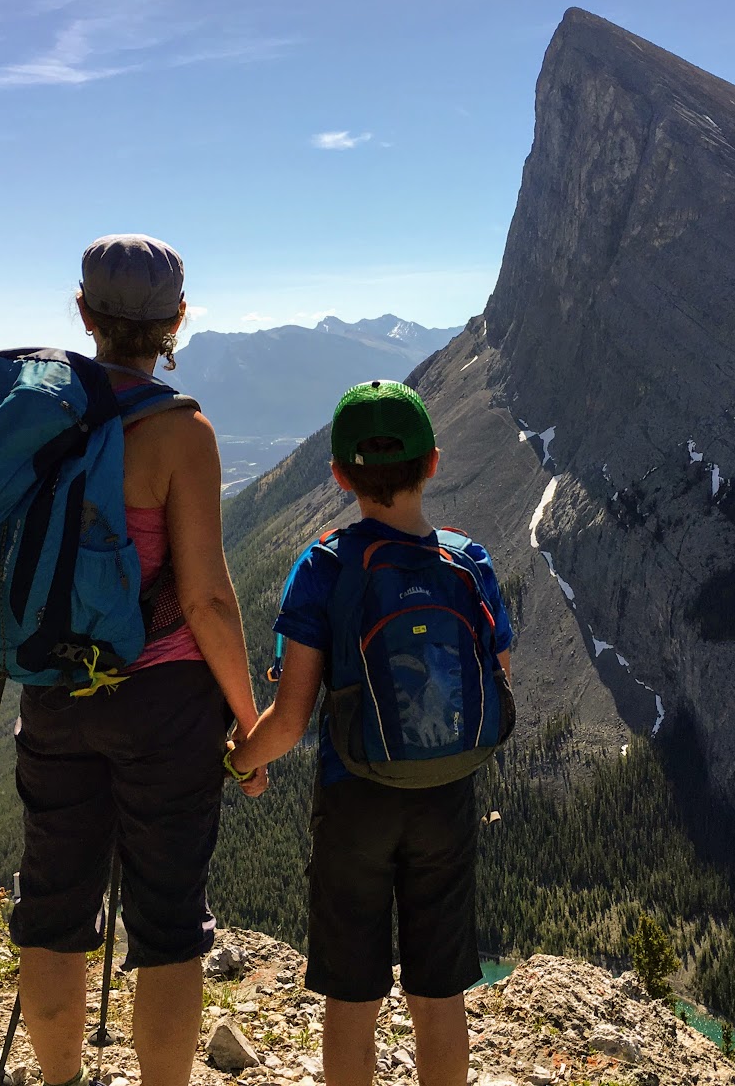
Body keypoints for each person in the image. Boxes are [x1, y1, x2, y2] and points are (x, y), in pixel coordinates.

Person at [9, 234, 265, 1086]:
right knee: (167, 925)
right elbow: (207, 602)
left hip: (53, 686)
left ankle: (59, 1081)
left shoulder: (36, 412)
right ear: (177, 322)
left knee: (52, 913)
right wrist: (250, 722)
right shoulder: (180, 431)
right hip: (165, 705)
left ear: (82, 313)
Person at [228, 380, 514, 1086]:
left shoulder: (324, 566)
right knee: (439, 992)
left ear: (338, 475)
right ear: (434, 463)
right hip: (447, 794)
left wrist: (240, 759)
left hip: (354, 796)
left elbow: (289, 721)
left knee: (353, 993)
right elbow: (496, 678)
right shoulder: (469, 561)